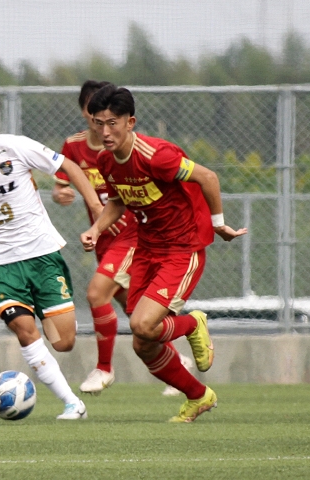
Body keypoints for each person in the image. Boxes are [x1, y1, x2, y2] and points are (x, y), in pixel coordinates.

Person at [80, 84, 247, 422]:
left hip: (182, 249)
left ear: (131, 122)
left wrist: (218, 224)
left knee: (142, 323)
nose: (105, 131)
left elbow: (207, 177)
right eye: (99, 123)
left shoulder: (157, 156)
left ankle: (192, 323)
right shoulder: (106, 160)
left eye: (113, 122)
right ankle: (199, 396)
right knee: (143, 341)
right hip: (146, 249)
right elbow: (117, 200)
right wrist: (96, 229)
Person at [0, 86, 103, 420]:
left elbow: (70, 167)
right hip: (1, 266)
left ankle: (45, 325)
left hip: (43, 256)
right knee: (25, 331)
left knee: (63, 342)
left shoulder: (16, 146)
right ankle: (72, 403)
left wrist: (95, 206)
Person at [52, 80, 193, 396]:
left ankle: (104, 369)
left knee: (96, 293)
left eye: (108, 118)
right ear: (84, 112)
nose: (100, 123)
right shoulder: (74, 146)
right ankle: (179, 361)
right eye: (94, 115)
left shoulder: (127, 148)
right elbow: (62, 184)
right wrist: (60, 192)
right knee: (136, 313)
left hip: (132, 234)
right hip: (104, 240)